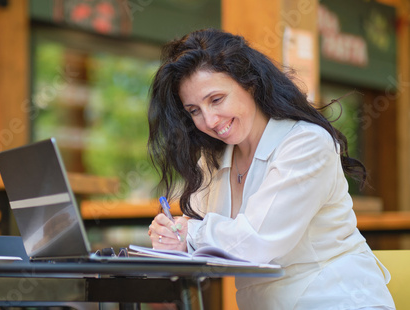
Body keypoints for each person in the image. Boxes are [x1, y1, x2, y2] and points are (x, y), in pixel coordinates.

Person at [146, 28, 395, 310]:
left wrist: (188, 232)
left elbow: (257, 242)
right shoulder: (215, 158)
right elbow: (206, 246)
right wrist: (171, 237)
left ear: (249, 83)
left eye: (216, 100)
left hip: (336, 300)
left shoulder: (306, 143)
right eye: (194, 111)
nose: (210, 120)